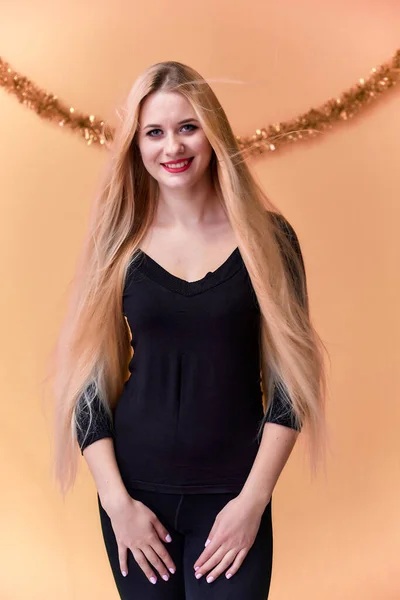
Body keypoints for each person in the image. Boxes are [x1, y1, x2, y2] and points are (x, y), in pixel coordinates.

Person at [51, 60, 328, 599]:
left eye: (187, 127)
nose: (171, 147)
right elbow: (86, 387)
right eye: (153, 132)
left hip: (232, 499)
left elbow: (292, 385)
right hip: (135, 501)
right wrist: (118, 505)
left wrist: (252, 504)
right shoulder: (118, 241)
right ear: (136, 144)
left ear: (213, 134)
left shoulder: (270, 239)